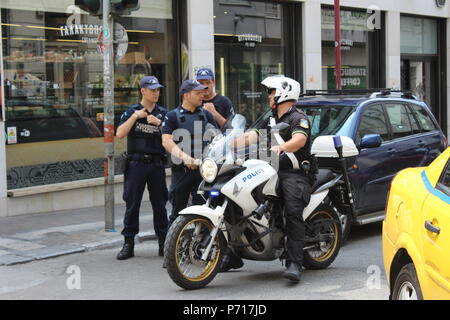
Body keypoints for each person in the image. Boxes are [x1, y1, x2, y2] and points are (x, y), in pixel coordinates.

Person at [232, 75, 316, 283]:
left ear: (283, 93)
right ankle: (230, 254)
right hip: (268, 169)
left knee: (292, 210)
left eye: (271, 92)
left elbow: (299, 139)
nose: (269, 96)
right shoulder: (271, 117)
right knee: (238, 198)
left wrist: (281, 147)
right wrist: (231, 143)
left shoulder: (298, 117)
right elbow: (254, 135)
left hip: (294, 173)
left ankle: (294, 262)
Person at [116, 76, 169, 260]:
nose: (156, 93)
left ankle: (163, 243)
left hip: (156, 163)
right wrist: (135, 117)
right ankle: (128, 243)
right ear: (143, 91)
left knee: (160, 204)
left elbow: (174, 137)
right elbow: (120, 134)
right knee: (132, 204)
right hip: (136, 164)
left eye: (158, 90)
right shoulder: (132, 111)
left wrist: (159, 124)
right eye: (152, 89)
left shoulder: (163, 113)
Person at [162, 80, 218, 224]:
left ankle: (204, 245)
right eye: (198, 93)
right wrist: (185, 158)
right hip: (182, 172)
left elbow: (218, 139)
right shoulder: (172, 116)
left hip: (203, 172)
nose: (202, 95)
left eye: (202, 92)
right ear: (186, 95)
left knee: (205, 212)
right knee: (177, 214)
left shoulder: (207, 115)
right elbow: (166, 141)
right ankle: (170, 246)